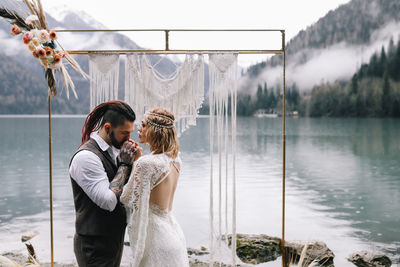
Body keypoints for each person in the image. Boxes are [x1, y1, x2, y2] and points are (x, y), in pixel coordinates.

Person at [69, 100, 142, 267]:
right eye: (125, 133)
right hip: (93, 246)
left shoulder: (114, 150)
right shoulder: (86, 157)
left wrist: (134, 163)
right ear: (108, 128)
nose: (129, 138)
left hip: (112, 240)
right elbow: (108, 201)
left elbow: (124, 190)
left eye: (130, 132)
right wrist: (124, 164)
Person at [120, 108, 190, 267]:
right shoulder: (176, 160)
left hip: (155, 240)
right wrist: (138, 163)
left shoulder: (146, 163)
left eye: (143, 125)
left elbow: (126, 198)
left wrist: (130, 165)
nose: (139, 128)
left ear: (155, 130)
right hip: (173, 233)